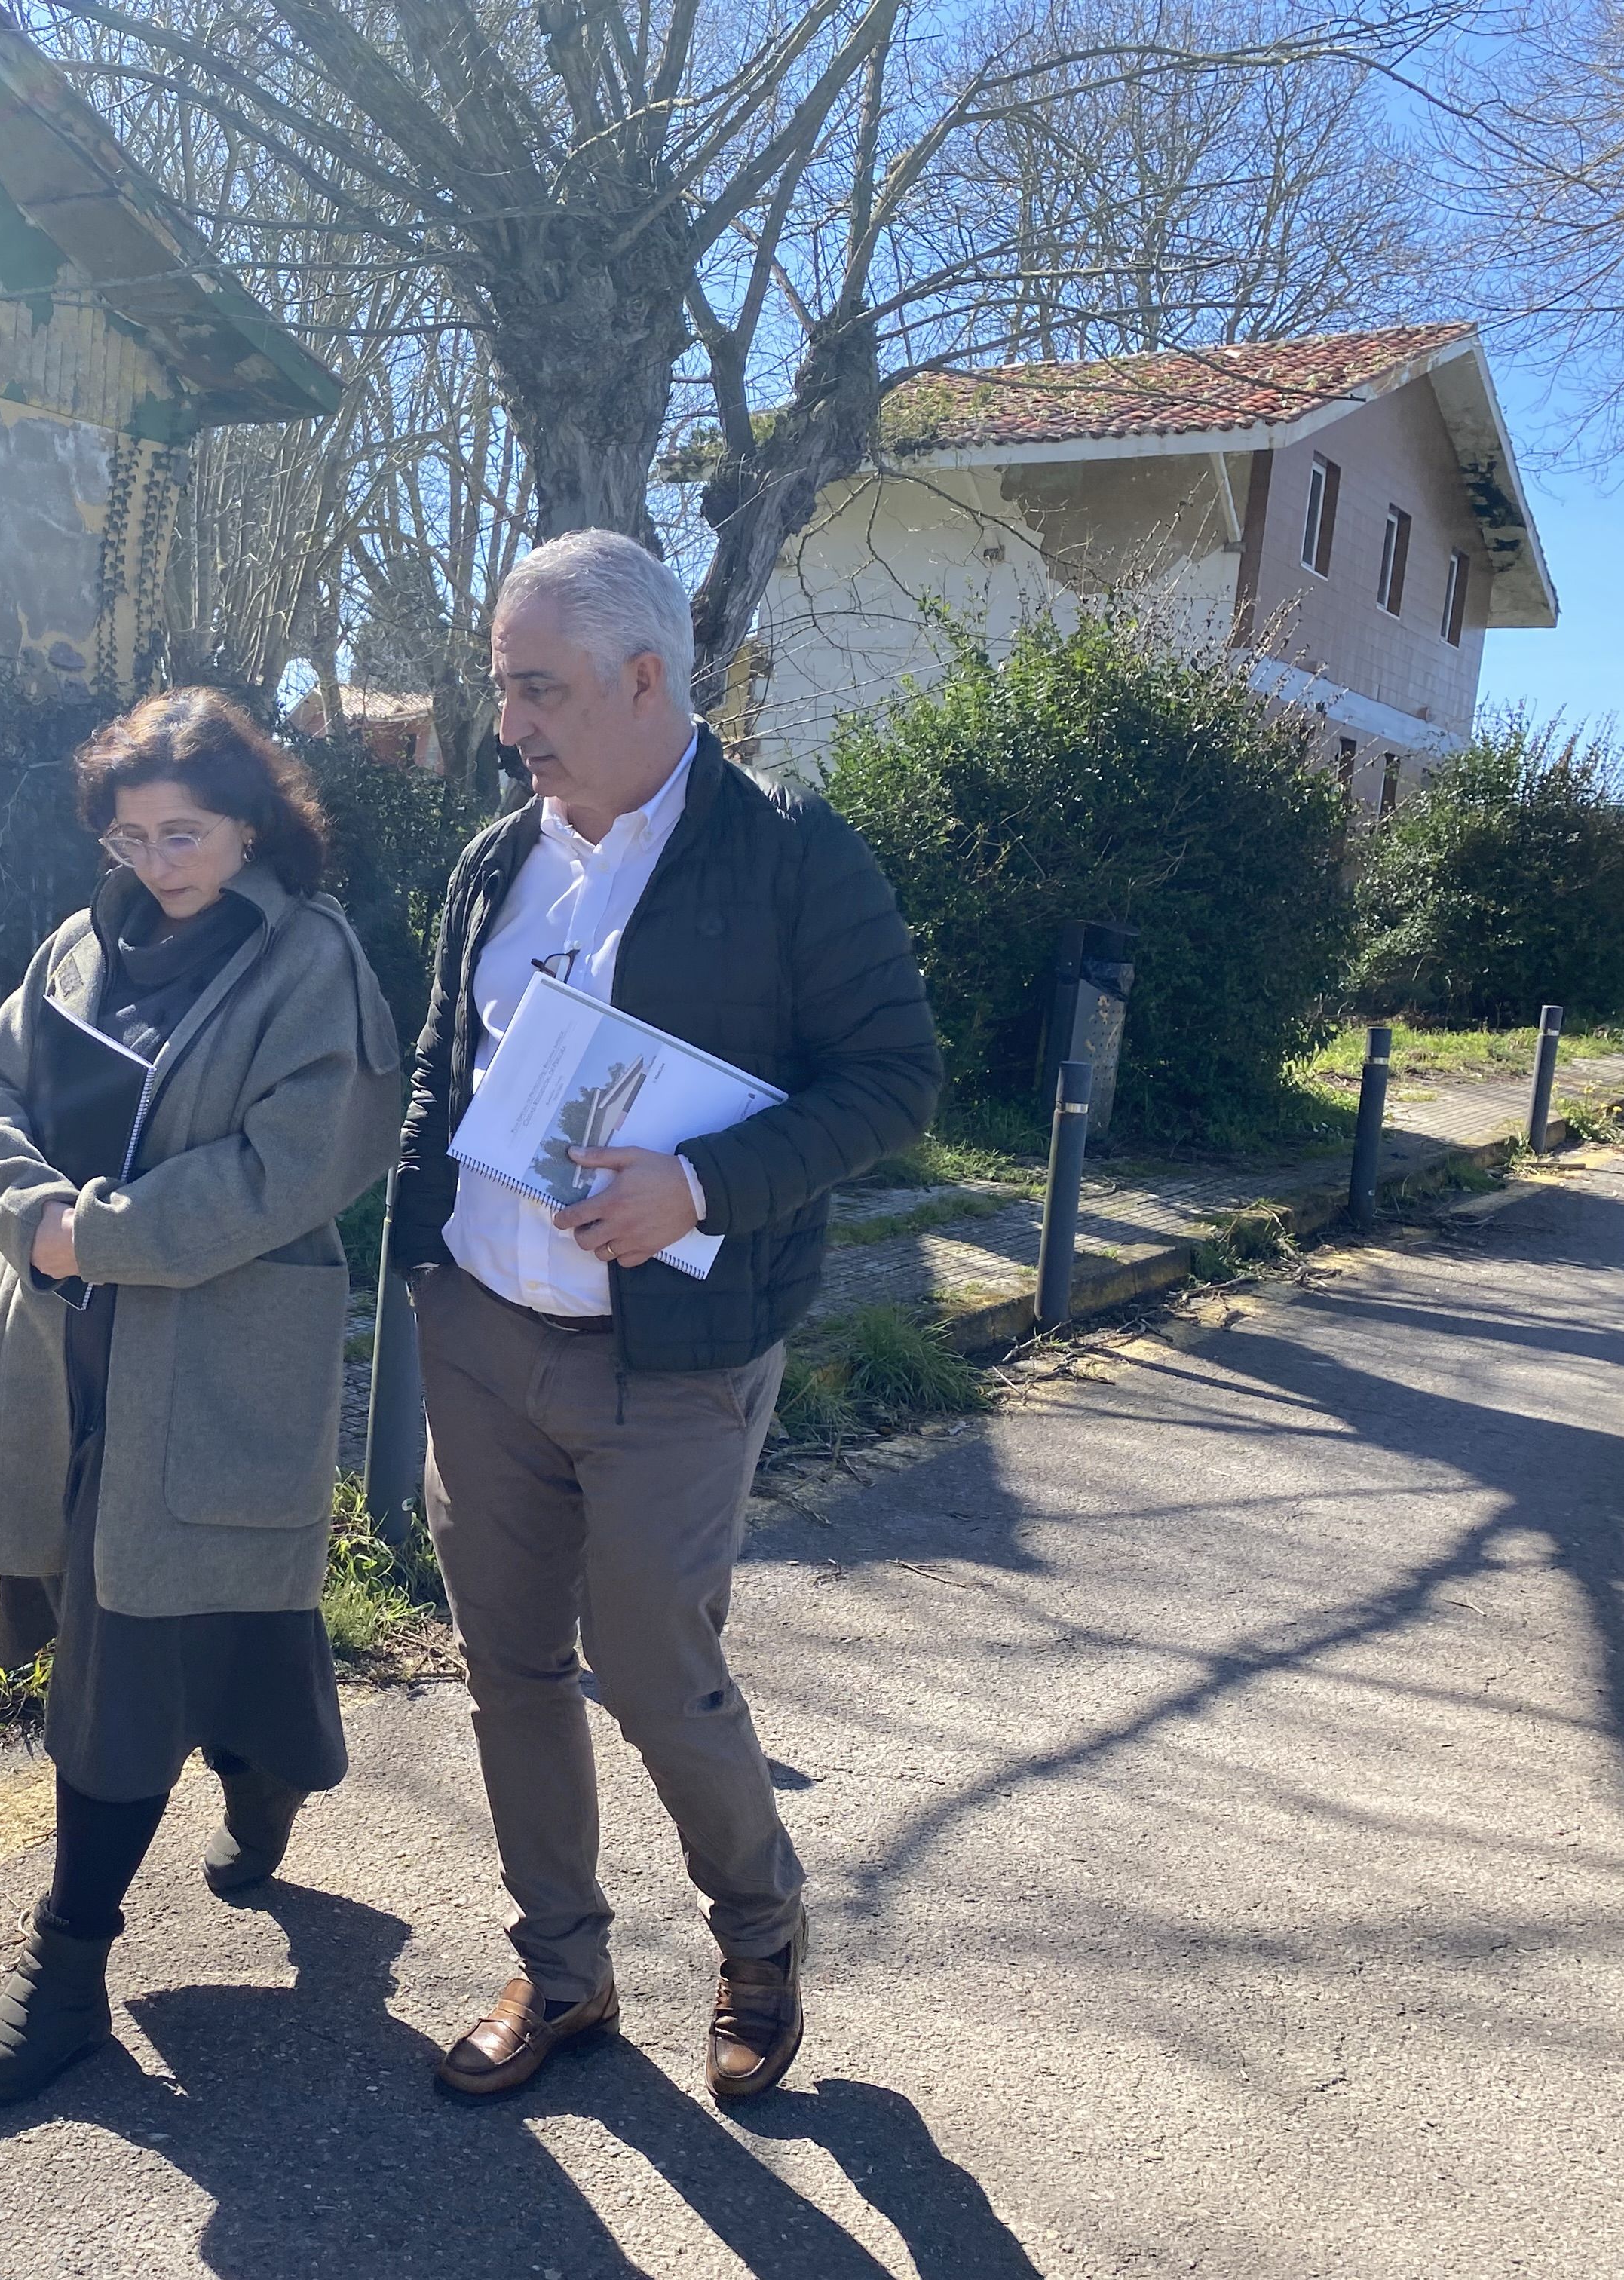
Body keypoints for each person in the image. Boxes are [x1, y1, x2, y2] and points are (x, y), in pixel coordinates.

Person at [389, 531, 942, 2103]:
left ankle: (759, 1936)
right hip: (484, 1332)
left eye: (539, 688)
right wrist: (427, 1237)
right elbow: (452, 1061)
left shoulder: (789, 852)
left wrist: (698, 1187)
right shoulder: (496, 858)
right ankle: (564, 1975)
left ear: (647, 679)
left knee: (650, 1665)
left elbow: (894, 1081)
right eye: (503, 689)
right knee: (507, 1668)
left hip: (674, 1358)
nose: (512, 722)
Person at [0, 687, 405, 2104]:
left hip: (213, 1366)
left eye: (184, 831)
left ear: (250, 823)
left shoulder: (311, 961)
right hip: (70, 1357)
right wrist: (35, 1219)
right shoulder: (82, 942)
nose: (157, 861)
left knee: (134, 1659)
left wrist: (108, 1235)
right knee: (150, 1622)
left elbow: (305, 1160)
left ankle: (66, 1975)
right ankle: (269, 1768)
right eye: (131, 835)